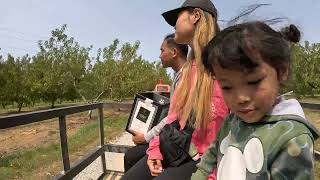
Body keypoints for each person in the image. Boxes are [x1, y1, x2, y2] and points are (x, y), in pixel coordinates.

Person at [192, 22, 320, 179]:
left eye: (253, 82)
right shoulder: (231, 121)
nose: (241, 98)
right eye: (226, 87)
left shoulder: (291, 138)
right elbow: (212, 154)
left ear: (282, 71)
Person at [122, 0, 229, 179]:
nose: (174, 25)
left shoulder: (226, 65)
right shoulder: (188, 71)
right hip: (182, 148)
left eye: (176, 18)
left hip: (209, 160)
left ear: (195, 16)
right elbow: (172, 119)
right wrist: (155, 150)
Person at [124, 33, 188, 172]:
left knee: (131, 157)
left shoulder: (187, 78)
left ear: (174, 52)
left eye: (162, 50)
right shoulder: (178, 75)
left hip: (179, 142)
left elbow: (172, 117)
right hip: (172, 136)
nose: (160, 55)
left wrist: (146, 138)